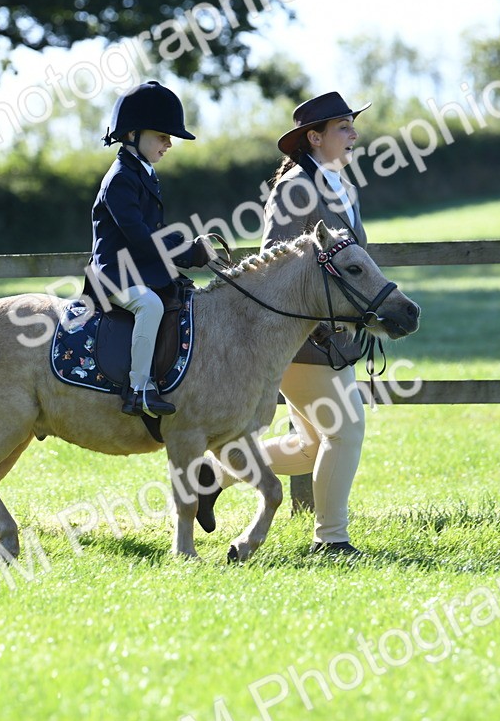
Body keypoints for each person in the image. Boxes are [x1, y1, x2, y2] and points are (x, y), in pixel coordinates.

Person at [196, 91, 372, 555]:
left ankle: (213, 474)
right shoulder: (297, 186)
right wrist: (314, 325)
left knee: (313, 445)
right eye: (343, 128)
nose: (354, 134)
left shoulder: (342, 185)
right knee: (346, 430)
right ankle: (331, 542)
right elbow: (275, 259)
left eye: (352, 126)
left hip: (338, 334)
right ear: (314, 138)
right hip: (302, 335)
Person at [86, 81, 215, 418]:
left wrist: (190, 248)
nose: (169, 144)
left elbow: (154, 233)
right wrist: (186, 253)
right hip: (114, 275)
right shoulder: (119, 180)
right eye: (162, 136)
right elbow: (140, 237)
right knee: (150, 304)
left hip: (140, 270)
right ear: (132, 134)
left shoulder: (143, 173)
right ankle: (139, 388)